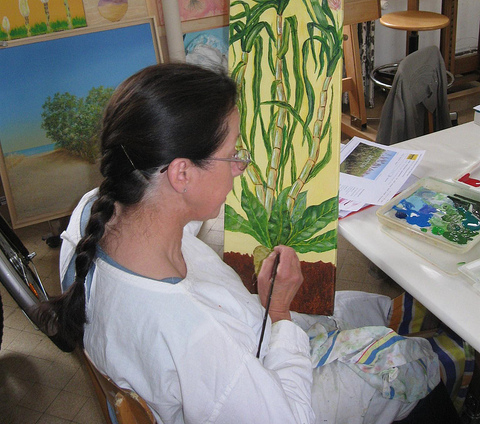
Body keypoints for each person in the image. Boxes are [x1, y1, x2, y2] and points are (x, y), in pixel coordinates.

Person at [36, 63, 460, 424]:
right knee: (406, 359)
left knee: (353, 307)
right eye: (233, 153)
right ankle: (448, 364)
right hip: (265, 386)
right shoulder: (192, 333)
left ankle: (409, 322)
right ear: (181, 173)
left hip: (239, 343)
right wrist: (279, 314)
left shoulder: (97, 211)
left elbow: (177, 214)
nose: (241, 166)